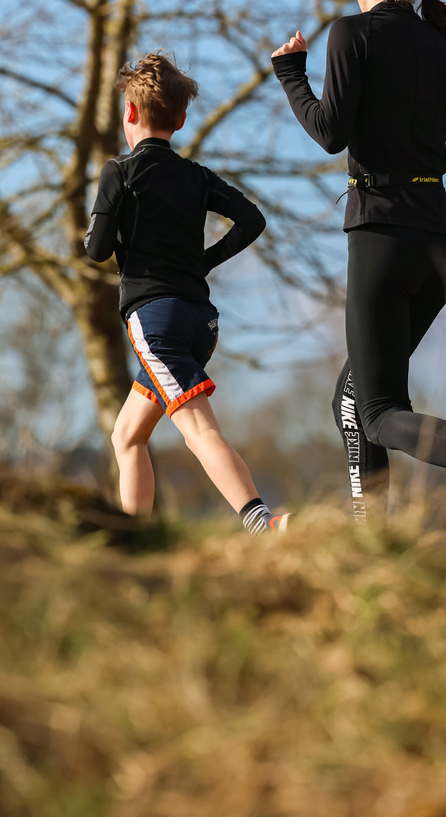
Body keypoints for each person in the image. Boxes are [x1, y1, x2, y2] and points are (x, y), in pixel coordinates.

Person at [271, 0, 446, 521]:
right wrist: (427, 156)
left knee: (379, 411)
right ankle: (375, 536)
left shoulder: (352, 33)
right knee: (355, 397)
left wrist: (291, 74)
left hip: (382, 238)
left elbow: (329, 131)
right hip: (442, 245)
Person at [85, 50, 290, 534]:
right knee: (127, 436)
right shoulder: (196, 175)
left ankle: (262, 522)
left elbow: (95, 251)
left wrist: (108, 230)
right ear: (179, 119)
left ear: (128, 113)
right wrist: (204, 261)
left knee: (198, 430)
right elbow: (252, 220)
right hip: (201, 322)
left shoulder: (120, 171)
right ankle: (137, 538)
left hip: (154, 323)